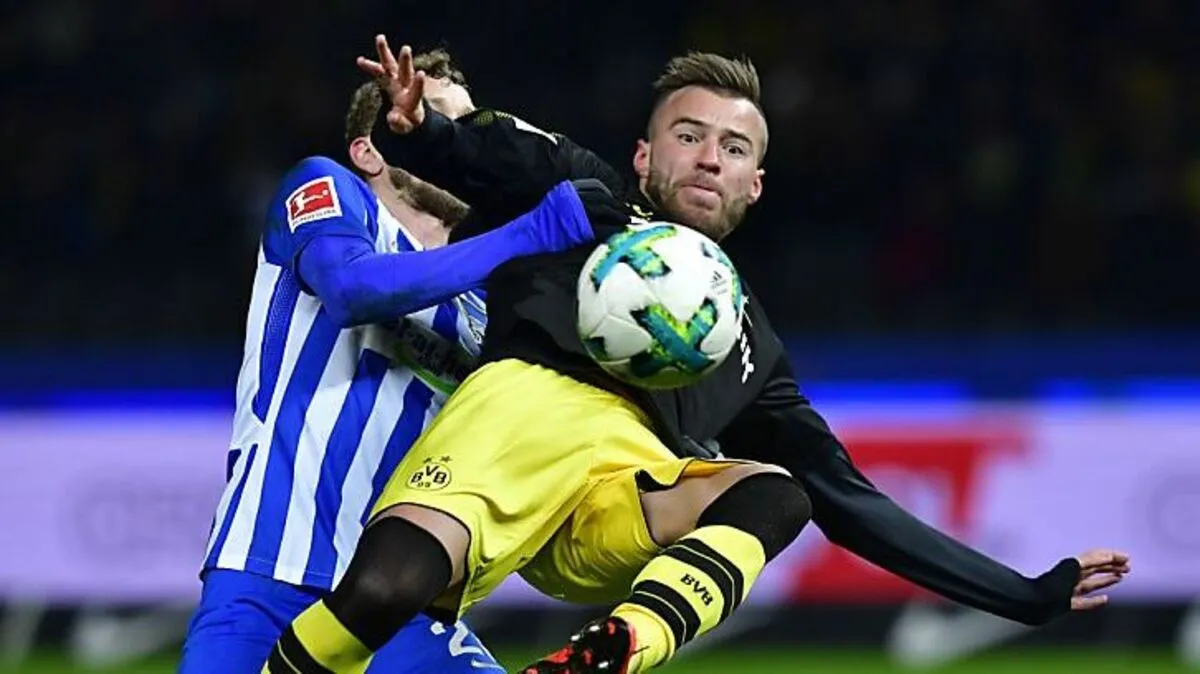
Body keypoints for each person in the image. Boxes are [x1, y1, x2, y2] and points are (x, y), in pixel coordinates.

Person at [263, 40, 1130, 674]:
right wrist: (420, 130)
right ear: (646, 155)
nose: (710, 157)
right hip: (520, 417)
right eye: (689, 135)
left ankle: (613, 652)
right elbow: (490, 151)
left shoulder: (745, 343)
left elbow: (854, 505)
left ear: (756, 185)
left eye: (735, 148)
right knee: (382, 594)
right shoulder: (590, 196)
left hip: (620, 492)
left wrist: (1023, 595)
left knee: (779, 493)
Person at [178, 81, 596, 674]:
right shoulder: (331, 189)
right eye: (437, 122)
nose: (459, 144)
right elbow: (351, 290)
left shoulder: (488, 305)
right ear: (369, 151)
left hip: (401, 606)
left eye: (469, 129)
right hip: (269, 573)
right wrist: (529, 234)